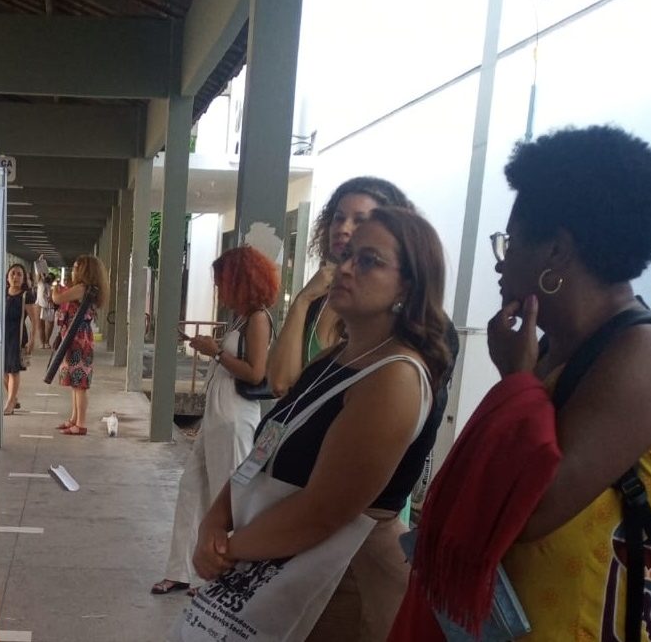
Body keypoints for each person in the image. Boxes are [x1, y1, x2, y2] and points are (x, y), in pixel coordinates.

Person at [392, 125, 651, 642]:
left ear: (556, 251)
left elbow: (529, 509)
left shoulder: (649, 355)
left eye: (510, 241)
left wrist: (517, 381)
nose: (501, 261)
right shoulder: (552, 349)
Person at [193, 208, 453, 641]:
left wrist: (226, 548)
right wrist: (213, 523)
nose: (345, 269)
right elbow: (265, 450)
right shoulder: (335, 357)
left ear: (408, 286)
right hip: (281, 567)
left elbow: (322, 512)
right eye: (347, 255)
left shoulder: (396, 377)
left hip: (340, 586)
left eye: (368, 261)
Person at [151, 246, 279, 596]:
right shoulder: (240, 317)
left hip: (235, 415)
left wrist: (216, 352)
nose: (219, 290)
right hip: (217, 414)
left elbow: (256, 373)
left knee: (228, 495)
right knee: (191, 489)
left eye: (222, 282)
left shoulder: (258, 319)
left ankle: (221, 574)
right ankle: (181, 569)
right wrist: (212, 350)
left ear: (239, 281)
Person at [268, 176, 415, 396]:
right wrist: (302, 300)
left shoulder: (401, 314)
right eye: (338, 218)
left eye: (360, 221)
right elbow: (280, 383)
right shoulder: (321, 296)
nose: (343, 228)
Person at [52, 254, 109, 436]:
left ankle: (80, 424)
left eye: (77, 267)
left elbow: (57, 299)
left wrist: (54, 288)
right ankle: (74, 419)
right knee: (76, 383)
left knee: (79, 384)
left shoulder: (82, 288)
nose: (74, 270)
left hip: (77, 338)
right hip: (80, 337)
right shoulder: (89, 289)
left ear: (86, 270)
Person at [3, 263, 36, 416]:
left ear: (23, 279)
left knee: (13, 370)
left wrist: (32, 340)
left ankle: (10, 403)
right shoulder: (2, 293)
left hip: (16, 337)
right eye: (13, 273)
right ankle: (13, 397)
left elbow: (34, 320)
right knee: (2, 370)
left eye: (19, 274)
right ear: (7, 277)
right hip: (1, 335)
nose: (15, 277)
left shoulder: (26, 296)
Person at [40, 273, 57, 349]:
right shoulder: (41, 284)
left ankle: (46, 342)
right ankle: (43, 342)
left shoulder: (52, 287)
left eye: (50, 278)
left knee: (49, 324)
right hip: (42, 305)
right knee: (42, 324)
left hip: (49, 306)